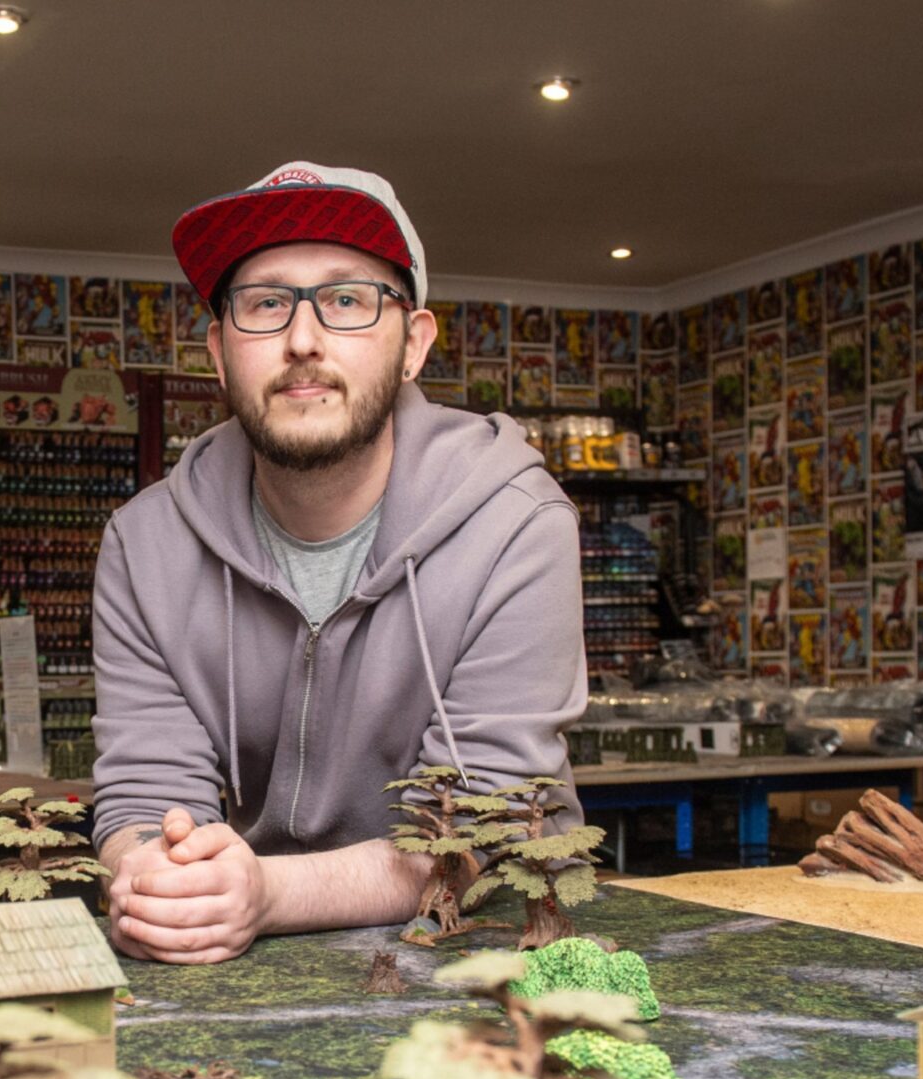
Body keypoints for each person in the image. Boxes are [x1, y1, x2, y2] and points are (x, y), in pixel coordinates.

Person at [92, 162, 588, 964]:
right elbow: (146, 789)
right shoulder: (144, 545)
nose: (302, 341)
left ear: (413, 345)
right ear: (219, 352)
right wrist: (157, 875)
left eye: (349, 300)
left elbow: (487, 825)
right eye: (265, 303)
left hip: (496, 950)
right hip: (255, 962)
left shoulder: (518, 524)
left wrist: (266, 893)